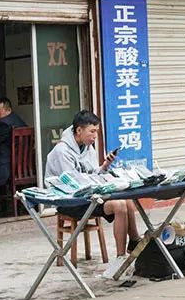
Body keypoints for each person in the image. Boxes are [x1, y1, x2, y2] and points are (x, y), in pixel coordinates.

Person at [44, 110, 140, 257]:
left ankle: (134, 242)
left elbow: (92, 174)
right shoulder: (62, 152)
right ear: (79, 130)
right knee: (119, 205)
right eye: (92, 131)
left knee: (127, 200)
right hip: (70, 201)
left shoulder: (88, 147)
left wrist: (104, 167)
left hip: (89, 195)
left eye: (97, 132)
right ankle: (121, 257)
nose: (95, 136)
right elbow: (72, 184)